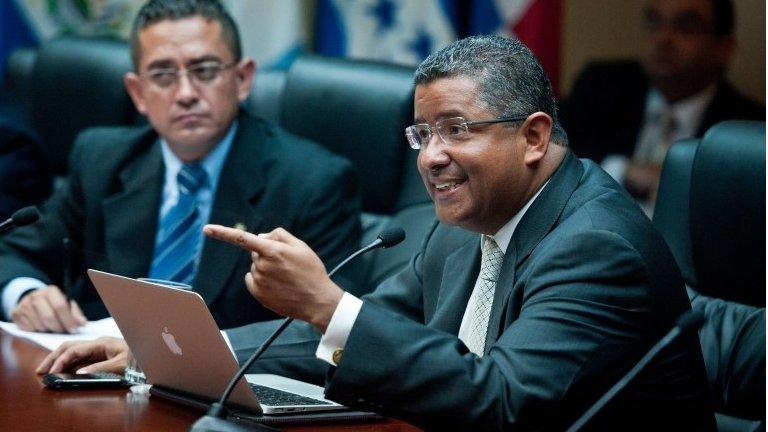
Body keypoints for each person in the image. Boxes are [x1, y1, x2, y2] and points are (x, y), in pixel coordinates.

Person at [38, 35, 715, 430]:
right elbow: (340, 334)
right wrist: (153, 350)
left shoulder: (594, 243)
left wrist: (329, 303)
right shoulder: (465, 225)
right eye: (423, 134)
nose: (430, 156)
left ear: (534, 136)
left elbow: (502, 402)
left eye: (457, 130)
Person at [0, 0, 361, 333]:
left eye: (204, 70)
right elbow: (14, 252)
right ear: (138, 93)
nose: (186, 93)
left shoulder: (312, 181)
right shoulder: (100, 159)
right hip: (96, 380)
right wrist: (26, 294)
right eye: (163, 75)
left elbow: (330, 322)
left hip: (226, 391)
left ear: (243, 79)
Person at [560, 0, 764, 209]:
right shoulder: (599, 87)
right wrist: (622, 170)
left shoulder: (750, 128)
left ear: (724, 48)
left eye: (686, 27)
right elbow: (553, 160)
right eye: (655, 23)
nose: (663, 38)